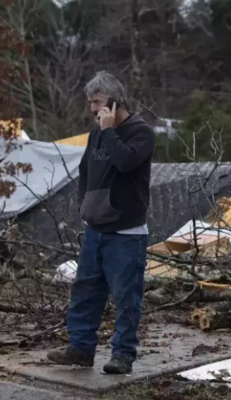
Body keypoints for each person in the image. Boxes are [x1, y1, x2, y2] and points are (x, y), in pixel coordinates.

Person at [47, 71, 155, 374]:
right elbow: (86, 171)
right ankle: (80, 349)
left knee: (126, 297)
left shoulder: (140, 132)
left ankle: (123, 355)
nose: (93, 109)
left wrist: (109, 131)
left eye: (98, 102)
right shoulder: (96, 134)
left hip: (126, 232)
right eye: (90, 102)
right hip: (95, 229)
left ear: (115, 100)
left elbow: (125, 162)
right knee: (85, 291)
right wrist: (85, 203)